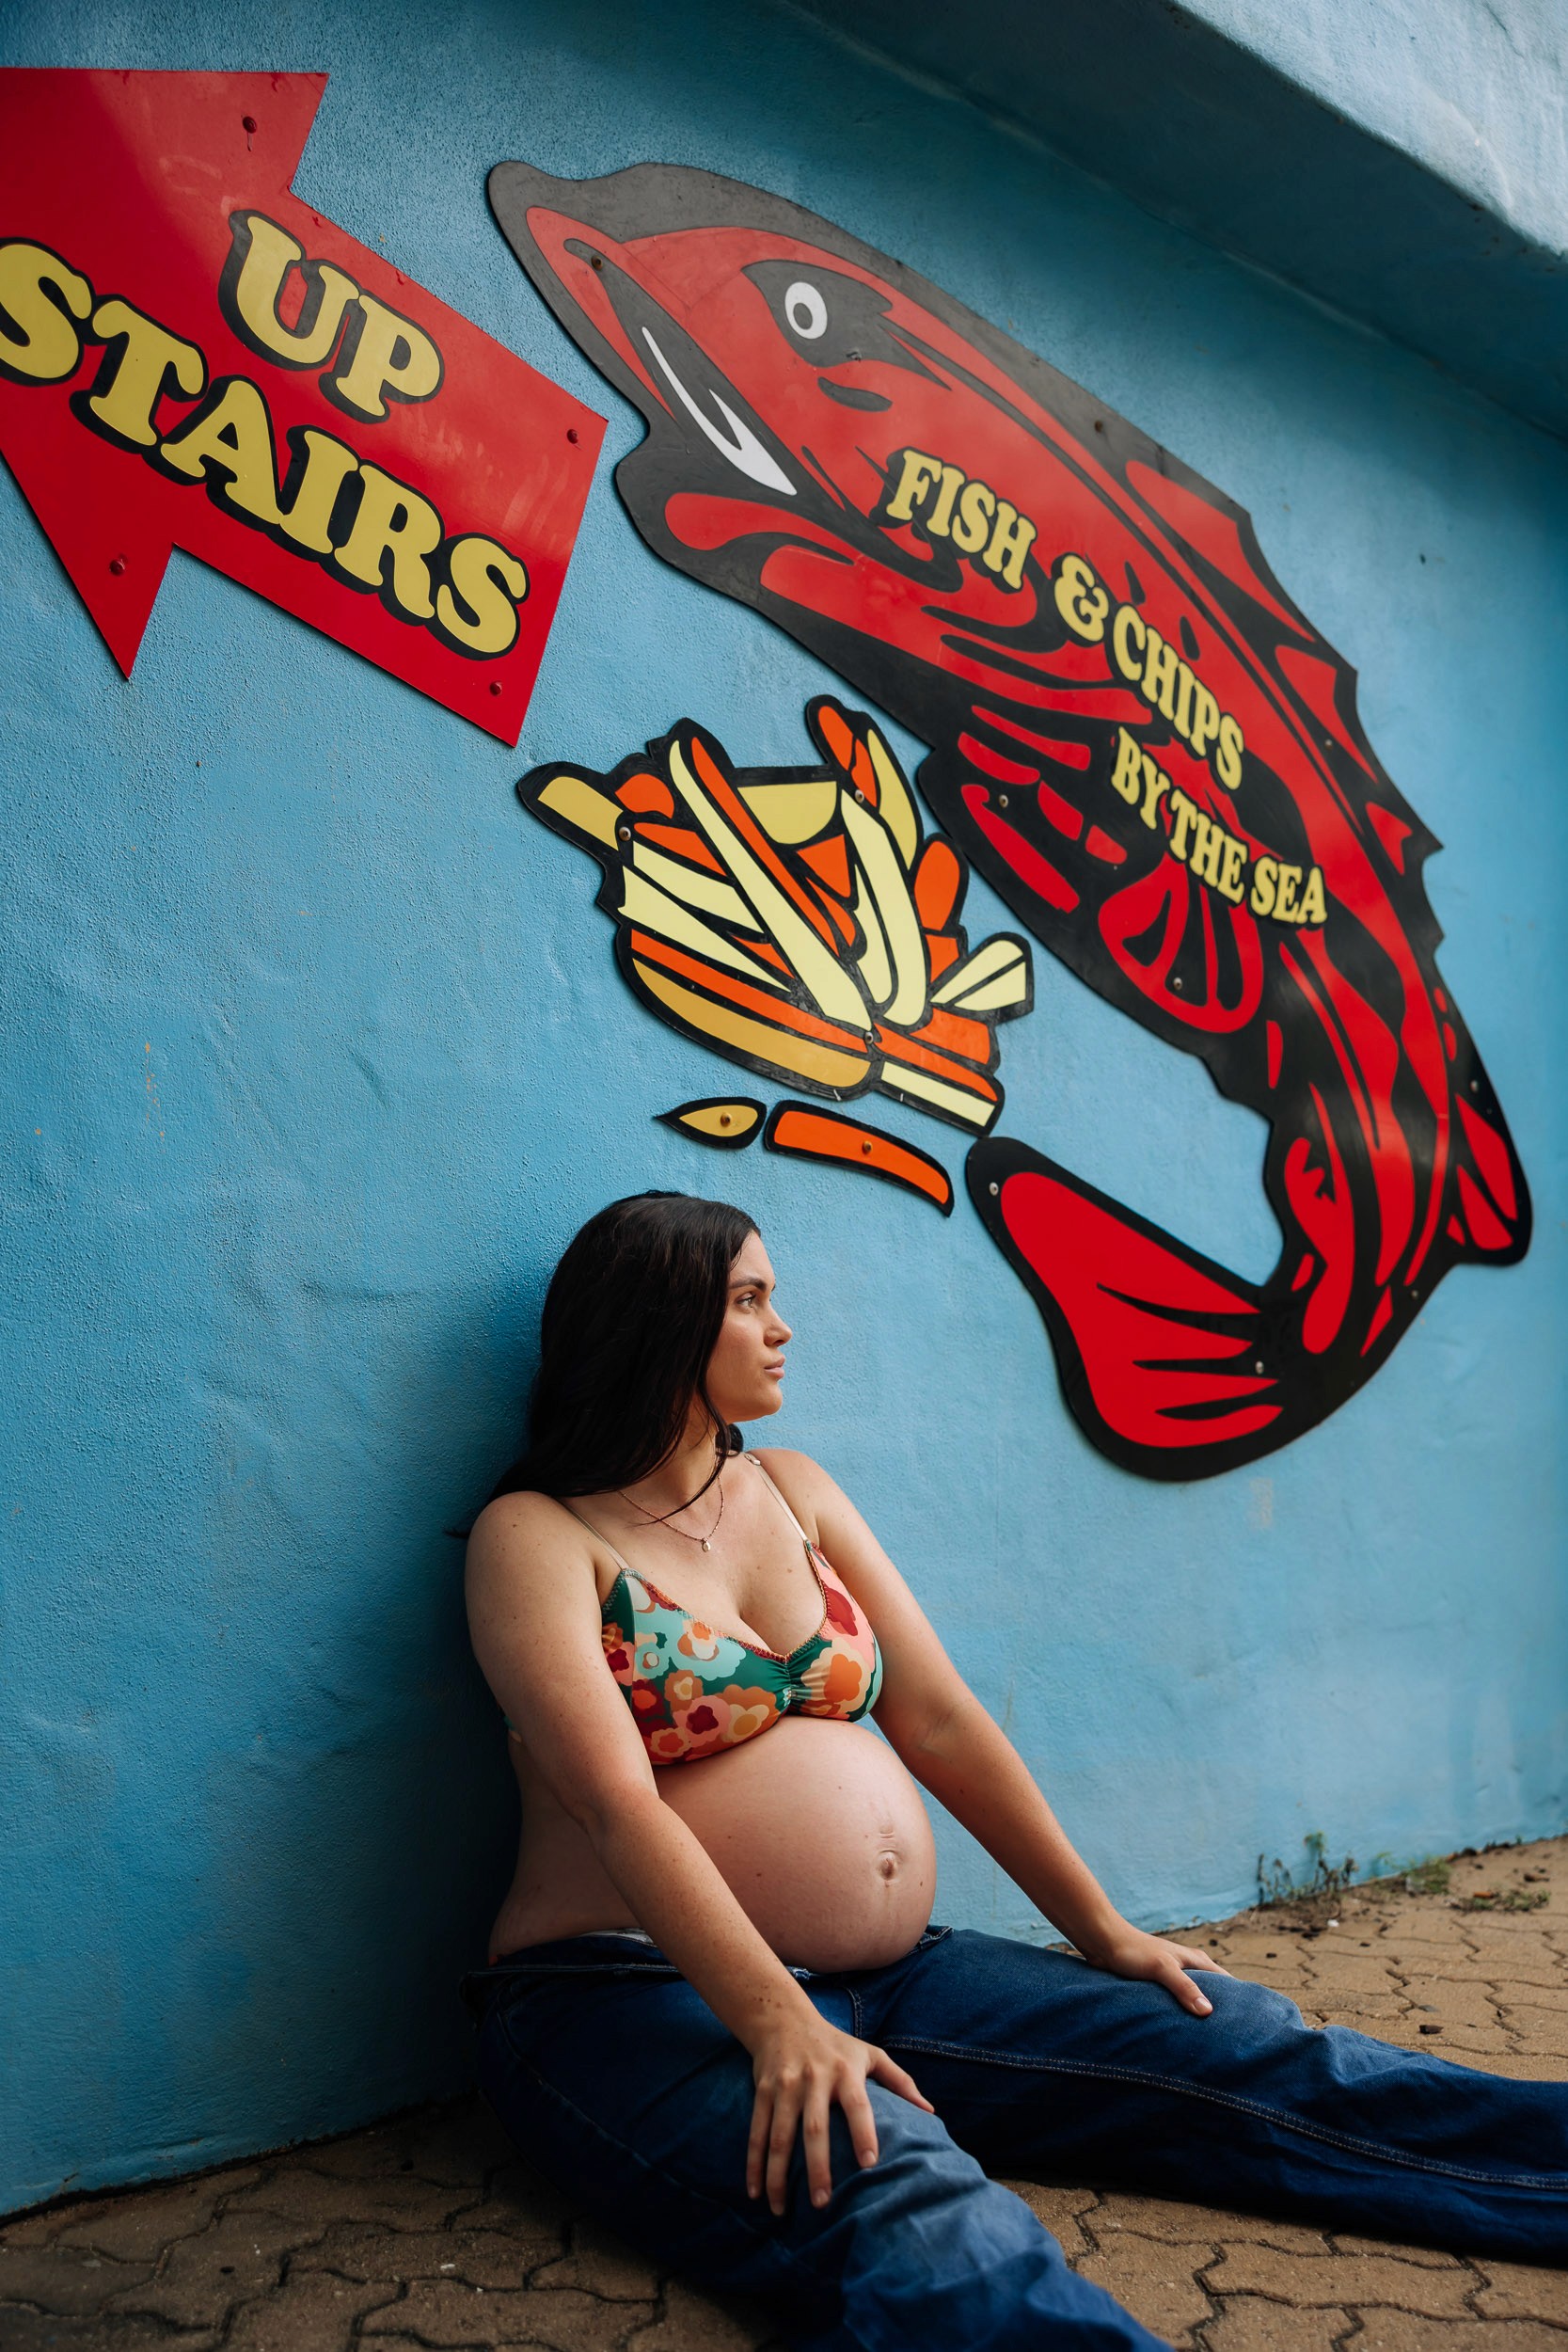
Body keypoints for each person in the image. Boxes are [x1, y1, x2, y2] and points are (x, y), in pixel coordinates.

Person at [463, 1192, 1566, 2351]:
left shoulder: (793, 1487)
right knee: (917, 2202)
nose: (782, 1325)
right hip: (630, 1993)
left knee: (1234, 2041)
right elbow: (615, 1801)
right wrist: (778, 2021)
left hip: (889, 1980)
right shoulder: (539, 1534)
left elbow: (936, 1721)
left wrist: (1103, 1932)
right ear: (655, 1324)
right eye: (748, 1301)